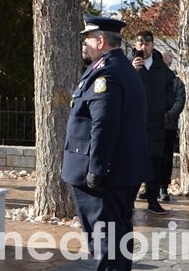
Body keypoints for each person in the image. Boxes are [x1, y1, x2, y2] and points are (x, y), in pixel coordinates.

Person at [62, 15, 152, 270]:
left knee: (106, 244)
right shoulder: (120, 67)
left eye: (87, 39)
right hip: (122, 171)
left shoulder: (107, 73)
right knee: (118, 238)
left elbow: (104, 124)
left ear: (100, 41)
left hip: (104, 176)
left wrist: (95, 169)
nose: (84, 44)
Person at [132, 30, 174, 214]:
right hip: (136, 122)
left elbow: (170, 90)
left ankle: (152, 199)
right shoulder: (129, 66)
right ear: (135, 45)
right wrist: (133, 71)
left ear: (153, 45)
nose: (144, 47)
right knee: (134, 161)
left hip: (157, 123)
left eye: (147, 43)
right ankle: (129, 200)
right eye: (140, 43)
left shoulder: (161, 67)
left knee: (155, 162)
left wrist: (166, 110)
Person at [160, 51, 185, 202]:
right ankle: (151, 186)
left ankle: (164, 187)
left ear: (170, 63)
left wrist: (168, 115)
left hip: (168, 126)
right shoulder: (152, 79)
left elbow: (179, 102)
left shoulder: (177, 82)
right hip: (152, 126)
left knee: (166, 158)